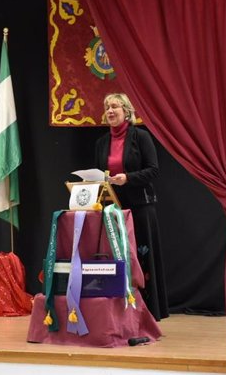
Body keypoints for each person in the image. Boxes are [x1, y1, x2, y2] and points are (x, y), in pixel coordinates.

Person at [94, 93, 170, 321]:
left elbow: (153, 170)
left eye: (114, 106)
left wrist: (128, 178)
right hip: (113, 208)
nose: (109, 111)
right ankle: (120, 309)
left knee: (142, 256)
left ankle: (148, 310)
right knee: (116, 256)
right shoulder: (101, 143)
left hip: (141, 206)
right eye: (107, 107)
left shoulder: (141, 136)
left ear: (126, 111)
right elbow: (100, 174)